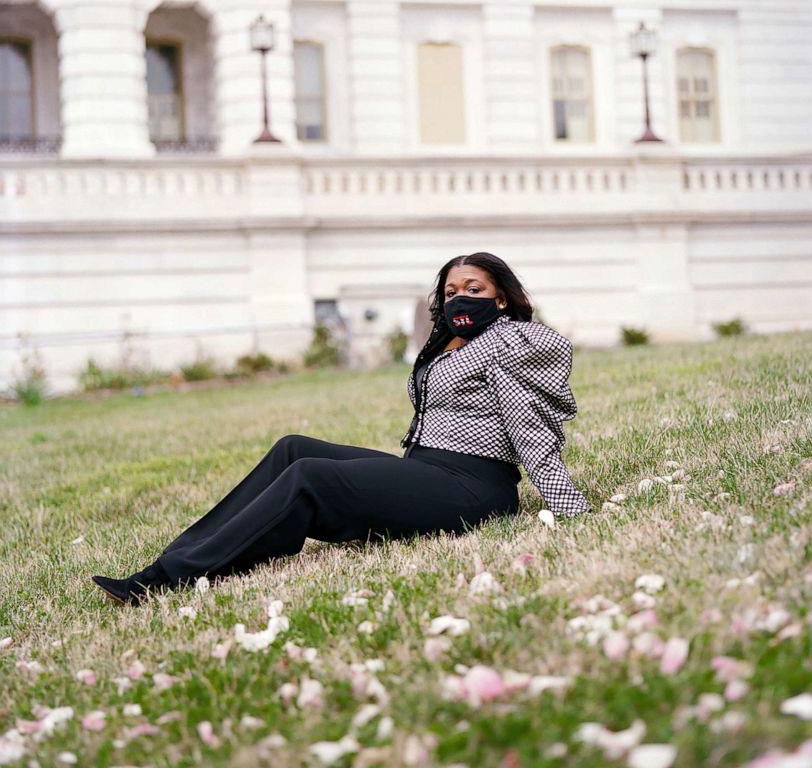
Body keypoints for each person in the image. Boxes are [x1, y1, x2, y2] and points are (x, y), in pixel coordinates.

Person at [92, 251, 592, 605]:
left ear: (501, 298)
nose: (460, 299)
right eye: (451, 292)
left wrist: (571, 509)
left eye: (474, 290)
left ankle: (167, 581)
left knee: (311, 477)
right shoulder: (447, 344)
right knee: (294, 448)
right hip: (426, 471)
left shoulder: (511, 342)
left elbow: (530, 429)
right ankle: (173, 558)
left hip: (473, 489)